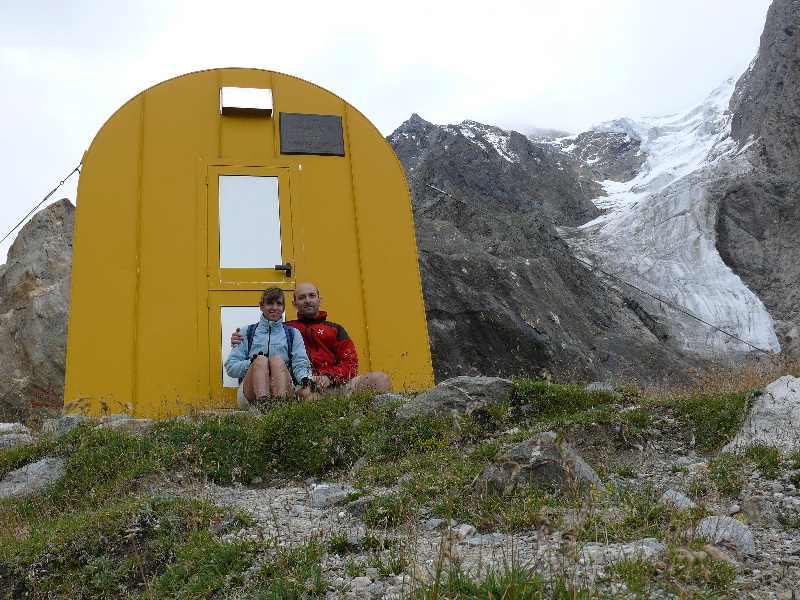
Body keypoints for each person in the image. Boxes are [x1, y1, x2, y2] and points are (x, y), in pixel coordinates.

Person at [231, 282, 391, 396]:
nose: (307, 300)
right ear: (294, 304)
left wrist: (330, 377)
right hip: (302, 386)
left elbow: (351, 364)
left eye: (312, 296)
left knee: (379, 378)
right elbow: (267, 334)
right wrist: (237, 339)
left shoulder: (336, 330)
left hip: (335, 383)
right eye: (302, 297)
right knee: (307, 393)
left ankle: (374, 426)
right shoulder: (287, 330)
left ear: (319, 300)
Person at [224, 286, 314, 409]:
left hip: (284, 389)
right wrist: (251, 362)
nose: (274, 308)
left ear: (283, 308)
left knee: (276, 360)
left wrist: (305, 378)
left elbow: (300, 362)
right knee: (260, 360)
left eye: (279, 304)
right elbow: (231, 368)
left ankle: (279, 406)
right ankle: (263, 407)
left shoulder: (292, 333)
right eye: (270, 304)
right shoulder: (247, 332)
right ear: (261, 306)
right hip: (250, 394)